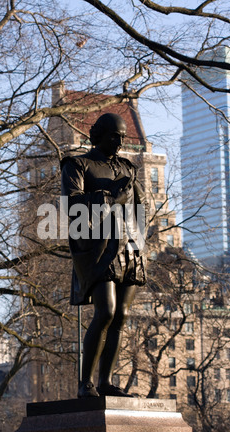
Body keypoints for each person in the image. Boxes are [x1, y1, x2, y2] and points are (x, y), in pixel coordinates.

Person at [61, 113, 147, 398]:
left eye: (123, 137)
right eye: (114, 136)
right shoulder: (78, 164)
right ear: (98, 135)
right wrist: (111, 198)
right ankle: (86, 383)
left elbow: (140, 205)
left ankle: (107, 381)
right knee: (106, 311)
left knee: (121, 315)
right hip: (99, 248)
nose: (120, 142)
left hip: (129, 246)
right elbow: (73, 205)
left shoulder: (127, 167)